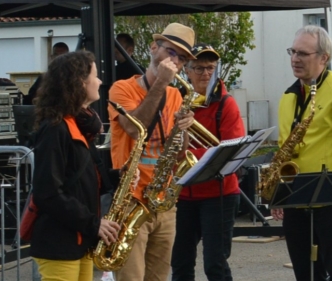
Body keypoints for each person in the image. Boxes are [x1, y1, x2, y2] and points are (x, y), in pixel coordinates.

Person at [271, 26, 332, 281]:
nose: (295, 58)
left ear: (323, 58)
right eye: (292, 52)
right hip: (297, 201)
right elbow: (284, 151)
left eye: (303, 53)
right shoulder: (288, 97)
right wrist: (278, 194)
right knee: (305, 275)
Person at [108, 23, 197, 281]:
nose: (175, 61)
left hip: (163, 201)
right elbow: (134, 129)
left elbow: (180, 153)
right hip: (130, 201)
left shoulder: (176, 95)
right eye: (171, 52)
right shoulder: (121, 89)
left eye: (181, 58)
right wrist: (161, 84)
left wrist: (185, 129)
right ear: (153, 47)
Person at [30, 51, 120, 281]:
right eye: (96, 76)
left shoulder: (76, 125)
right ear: (80, 81)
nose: (100, 82)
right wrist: (94, 223)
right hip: (60, 242)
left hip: (80, 239)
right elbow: (48, 193)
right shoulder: (55, 128)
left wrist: (121, 176)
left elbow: (87, 178)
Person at [170, 44, 246, 281]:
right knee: (180, 264)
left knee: (215, 264)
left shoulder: (226, 103)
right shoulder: (175, 100)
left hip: (219, 193)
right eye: (199, 68)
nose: (205, 74)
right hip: (182, 194)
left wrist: (191, 153)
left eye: (210, 68)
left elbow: (232, 149)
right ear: (187, 71)